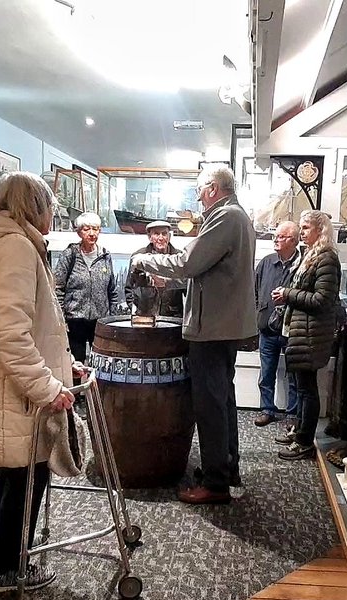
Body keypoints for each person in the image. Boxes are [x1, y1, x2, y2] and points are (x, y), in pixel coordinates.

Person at [0, 172, 83, 594]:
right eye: (50, 206)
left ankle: (1, 553)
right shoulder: (15, 248)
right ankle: (9, 571)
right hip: (13, 393)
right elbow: (12, 336)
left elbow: (33, 327)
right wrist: (48, 387)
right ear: (35, 207)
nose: (53, 215)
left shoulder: (0, 244)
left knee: (13, 474)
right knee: (27, 476)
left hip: (3, 386)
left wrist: (64, 363)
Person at [131, 165, 256, 504]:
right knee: (223, 401)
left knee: (210, 405)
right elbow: (204, 272)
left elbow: (188, 263)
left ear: (213, 188)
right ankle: (226, 470)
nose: (198, 196)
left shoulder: (225, 217)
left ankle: (215, 483)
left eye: (200, 190)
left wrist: (145, 262)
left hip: (212, 329)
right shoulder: (238, 217)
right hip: (222, 326)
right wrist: (170, 277)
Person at [271, 211, 341, 460]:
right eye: (300, 228)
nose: (302, 232)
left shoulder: (327, 259)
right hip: (303, 331)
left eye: (306, 228)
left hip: (312, 333)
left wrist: (288, 294)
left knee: (308, 390)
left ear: (320, 231)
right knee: (302, 388)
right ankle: (300, 431)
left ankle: (304, 442)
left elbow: (322, 300)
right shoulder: (313, 256)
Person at [53, 211, 120, 362]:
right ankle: (77, 386)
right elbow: (58, 289)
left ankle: (97, 387)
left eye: (95, 229)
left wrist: (112, 319)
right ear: (78, 232)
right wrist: (62, 319)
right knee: (75, 363)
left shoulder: (105, 256)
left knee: (101, 363)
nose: (91, 233)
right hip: (75, 320)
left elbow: (112, 291)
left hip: (99, 321)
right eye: (86, 229)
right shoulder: (69, 255)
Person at [253, 220, 300, 427]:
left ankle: (292, 414)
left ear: (293, 240)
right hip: (267, 328)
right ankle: (267, 409)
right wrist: (258, 312)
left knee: (293, 375)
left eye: (281, 236)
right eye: (276, 236)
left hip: (292, 329)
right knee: (267, 372)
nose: (276, 240)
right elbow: (254, 289)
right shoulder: (266, 262)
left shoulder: (302, 265)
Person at [126, 221, 184, 318]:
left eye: (164, 234)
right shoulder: (138, 257)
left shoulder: (179, 258)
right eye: (156, 234)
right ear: (150, 237)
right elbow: (129, 287)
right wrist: (137, 309)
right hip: (145, 316)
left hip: (173, 317)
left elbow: (187, 287)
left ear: (169, 237)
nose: (160, 238)